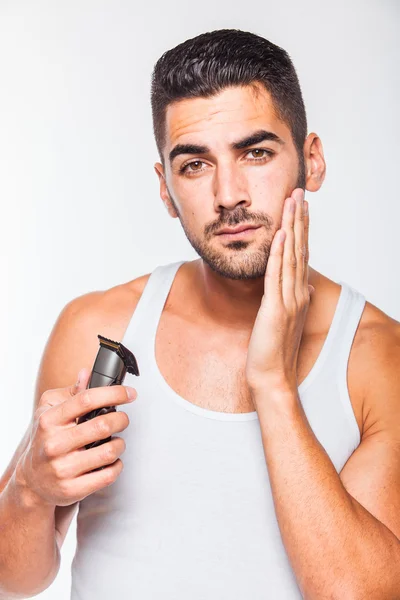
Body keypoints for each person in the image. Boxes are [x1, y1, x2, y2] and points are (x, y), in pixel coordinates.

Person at [1, 28, 400, 600]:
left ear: (311, 162)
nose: (228, 194)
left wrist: (273, 385)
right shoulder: (100, 329)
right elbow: (14, 578)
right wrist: (32, 492)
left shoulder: (377, 357)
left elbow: (360, 594)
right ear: (165, 189)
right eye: (195, 165)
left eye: (255, 153)